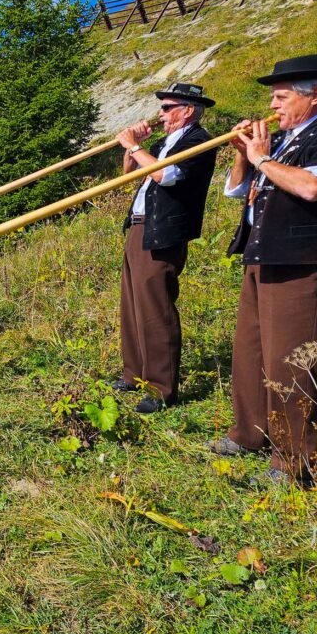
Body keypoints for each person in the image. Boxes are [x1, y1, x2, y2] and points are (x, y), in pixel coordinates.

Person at [210, 54, 317, 484]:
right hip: (263, 257)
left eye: (281, 97)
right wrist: (245, 155)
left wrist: (262, 157)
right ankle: (248, 433)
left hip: (304, 261)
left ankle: (293, 461)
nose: (273, 106)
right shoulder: (283, 140)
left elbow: (314, 187)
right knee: (251, 352)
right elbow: (236, 192)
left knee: (291, 364)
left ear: (314, 94)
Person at [113, 82, 218, 414]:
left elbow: (167, 176)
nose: (160, 114)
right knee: (132, 302)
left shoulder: (198, 140)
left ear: (187, 110)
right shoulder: (162, 142)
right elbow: (129, 174)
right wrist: (134, 147)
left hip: (164, 230)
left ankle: (161, 387)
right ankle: (135, 374)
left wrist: (135, 146)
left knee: (155, 307)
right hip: (141, 225)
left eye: (167, 108)